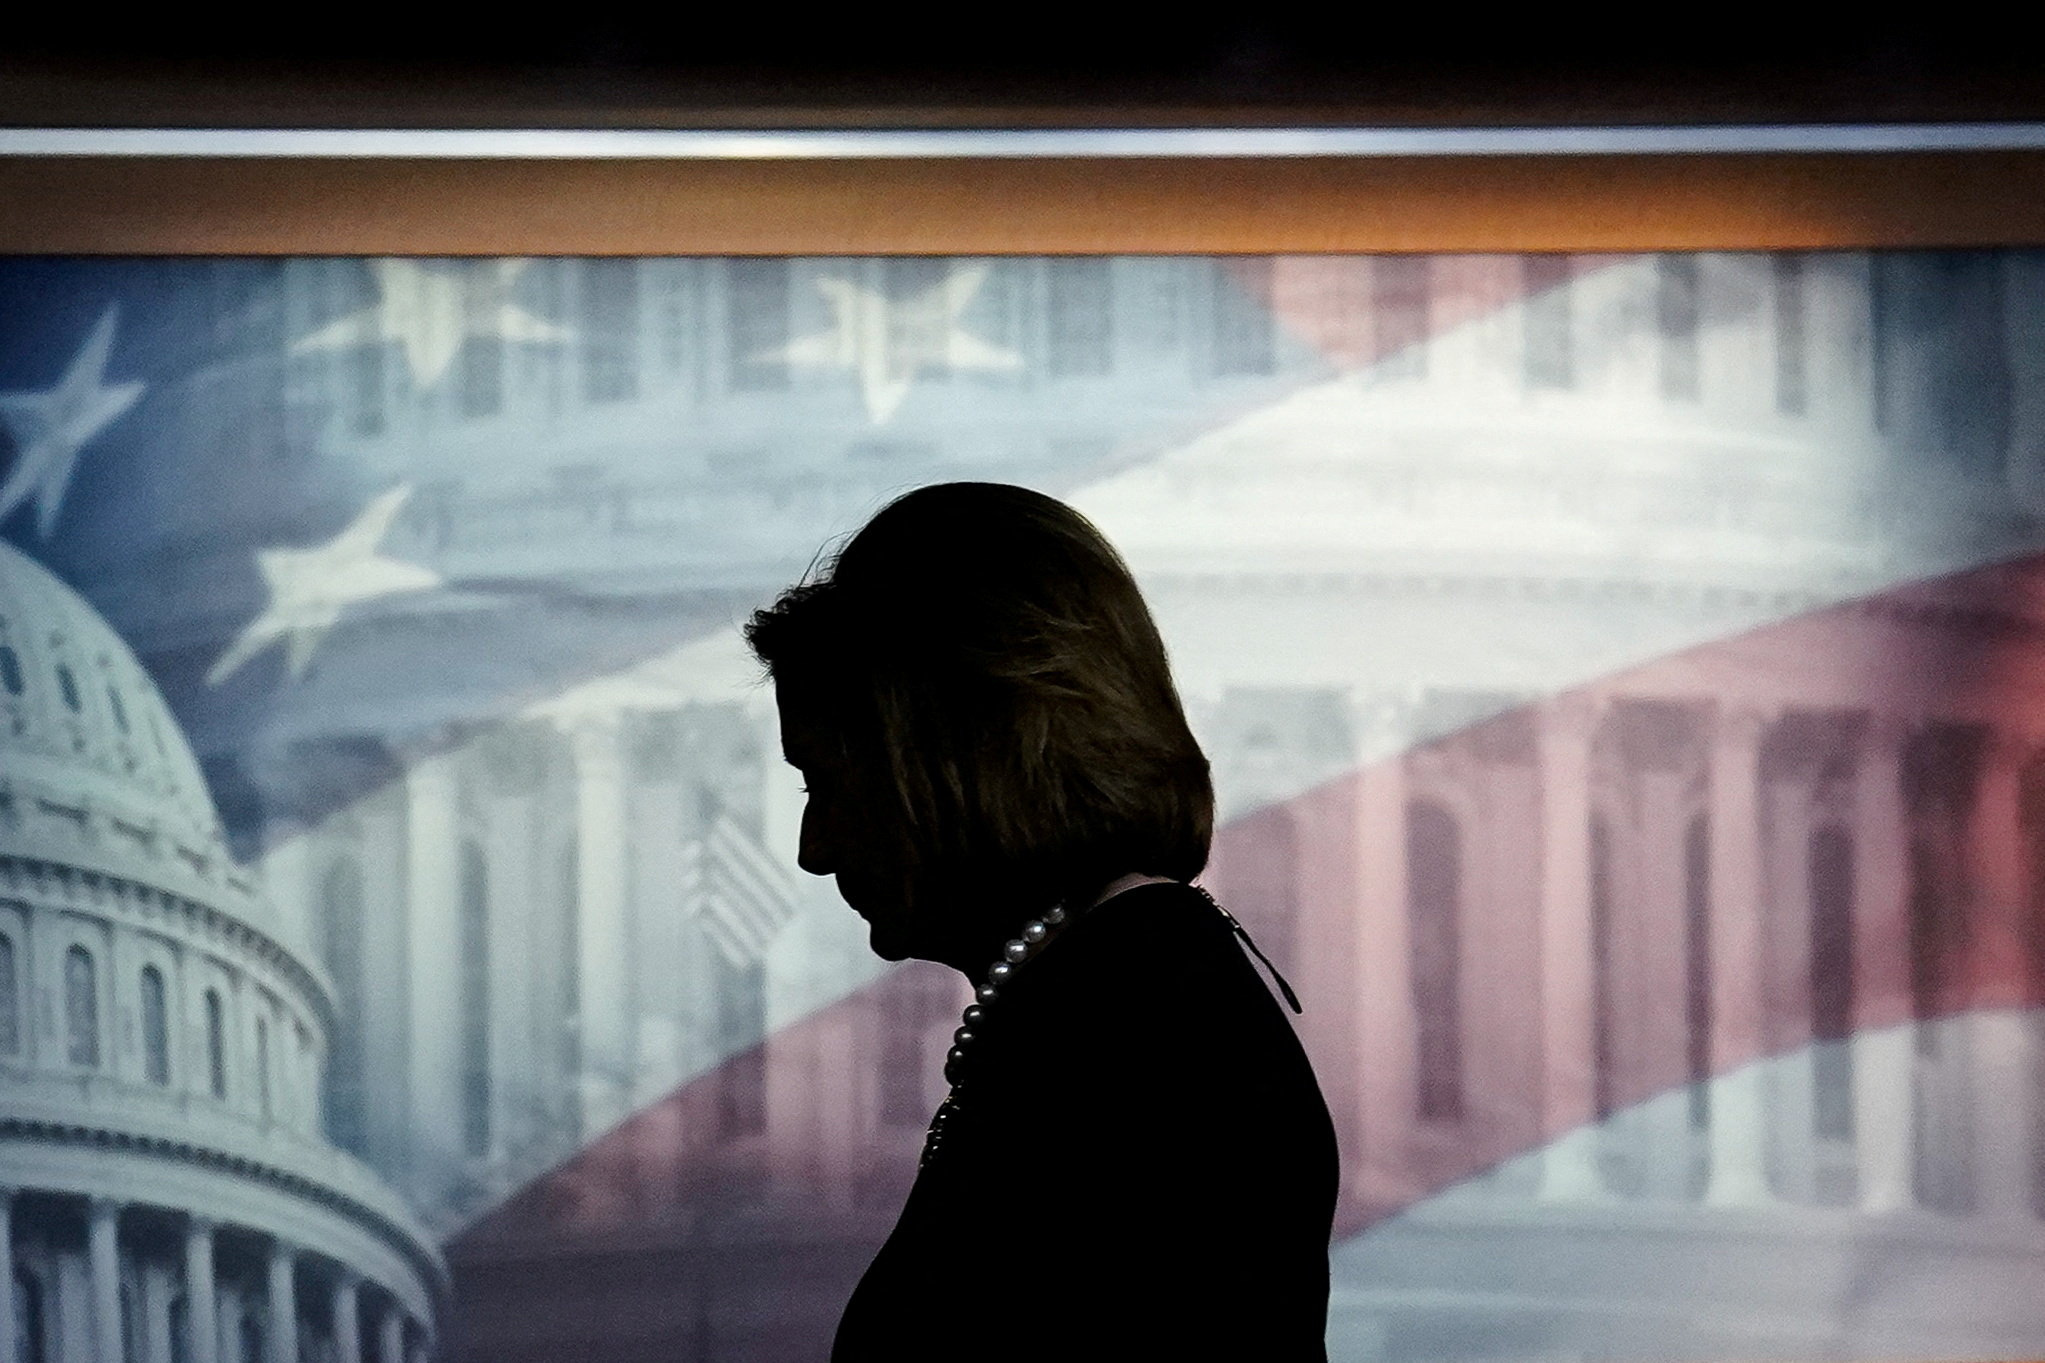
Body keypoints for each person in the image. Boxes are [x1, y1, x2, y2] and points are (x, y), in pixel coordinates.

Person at [746, 481, 1338, 1361]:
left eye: (827, 782)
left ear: (959, 754)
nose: (813, 847)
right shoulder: (1105, 999)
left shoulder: (1143, 1037)